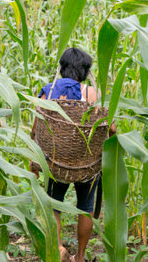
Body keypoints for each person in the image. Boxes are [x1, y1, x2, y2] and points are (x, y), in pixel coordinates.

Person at [30, 48, 114, 262]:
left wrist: (34, 160)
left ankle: (58, 249)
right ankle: (81, 257)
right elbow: (111, 128)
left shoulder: (47, 92)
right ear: (85, 71)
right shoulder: (92, 94)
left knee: (53, 204)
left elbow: (36, 128)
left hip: (56, 163)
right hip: (86, 165)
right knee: (85, 208)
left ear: (62, 67)